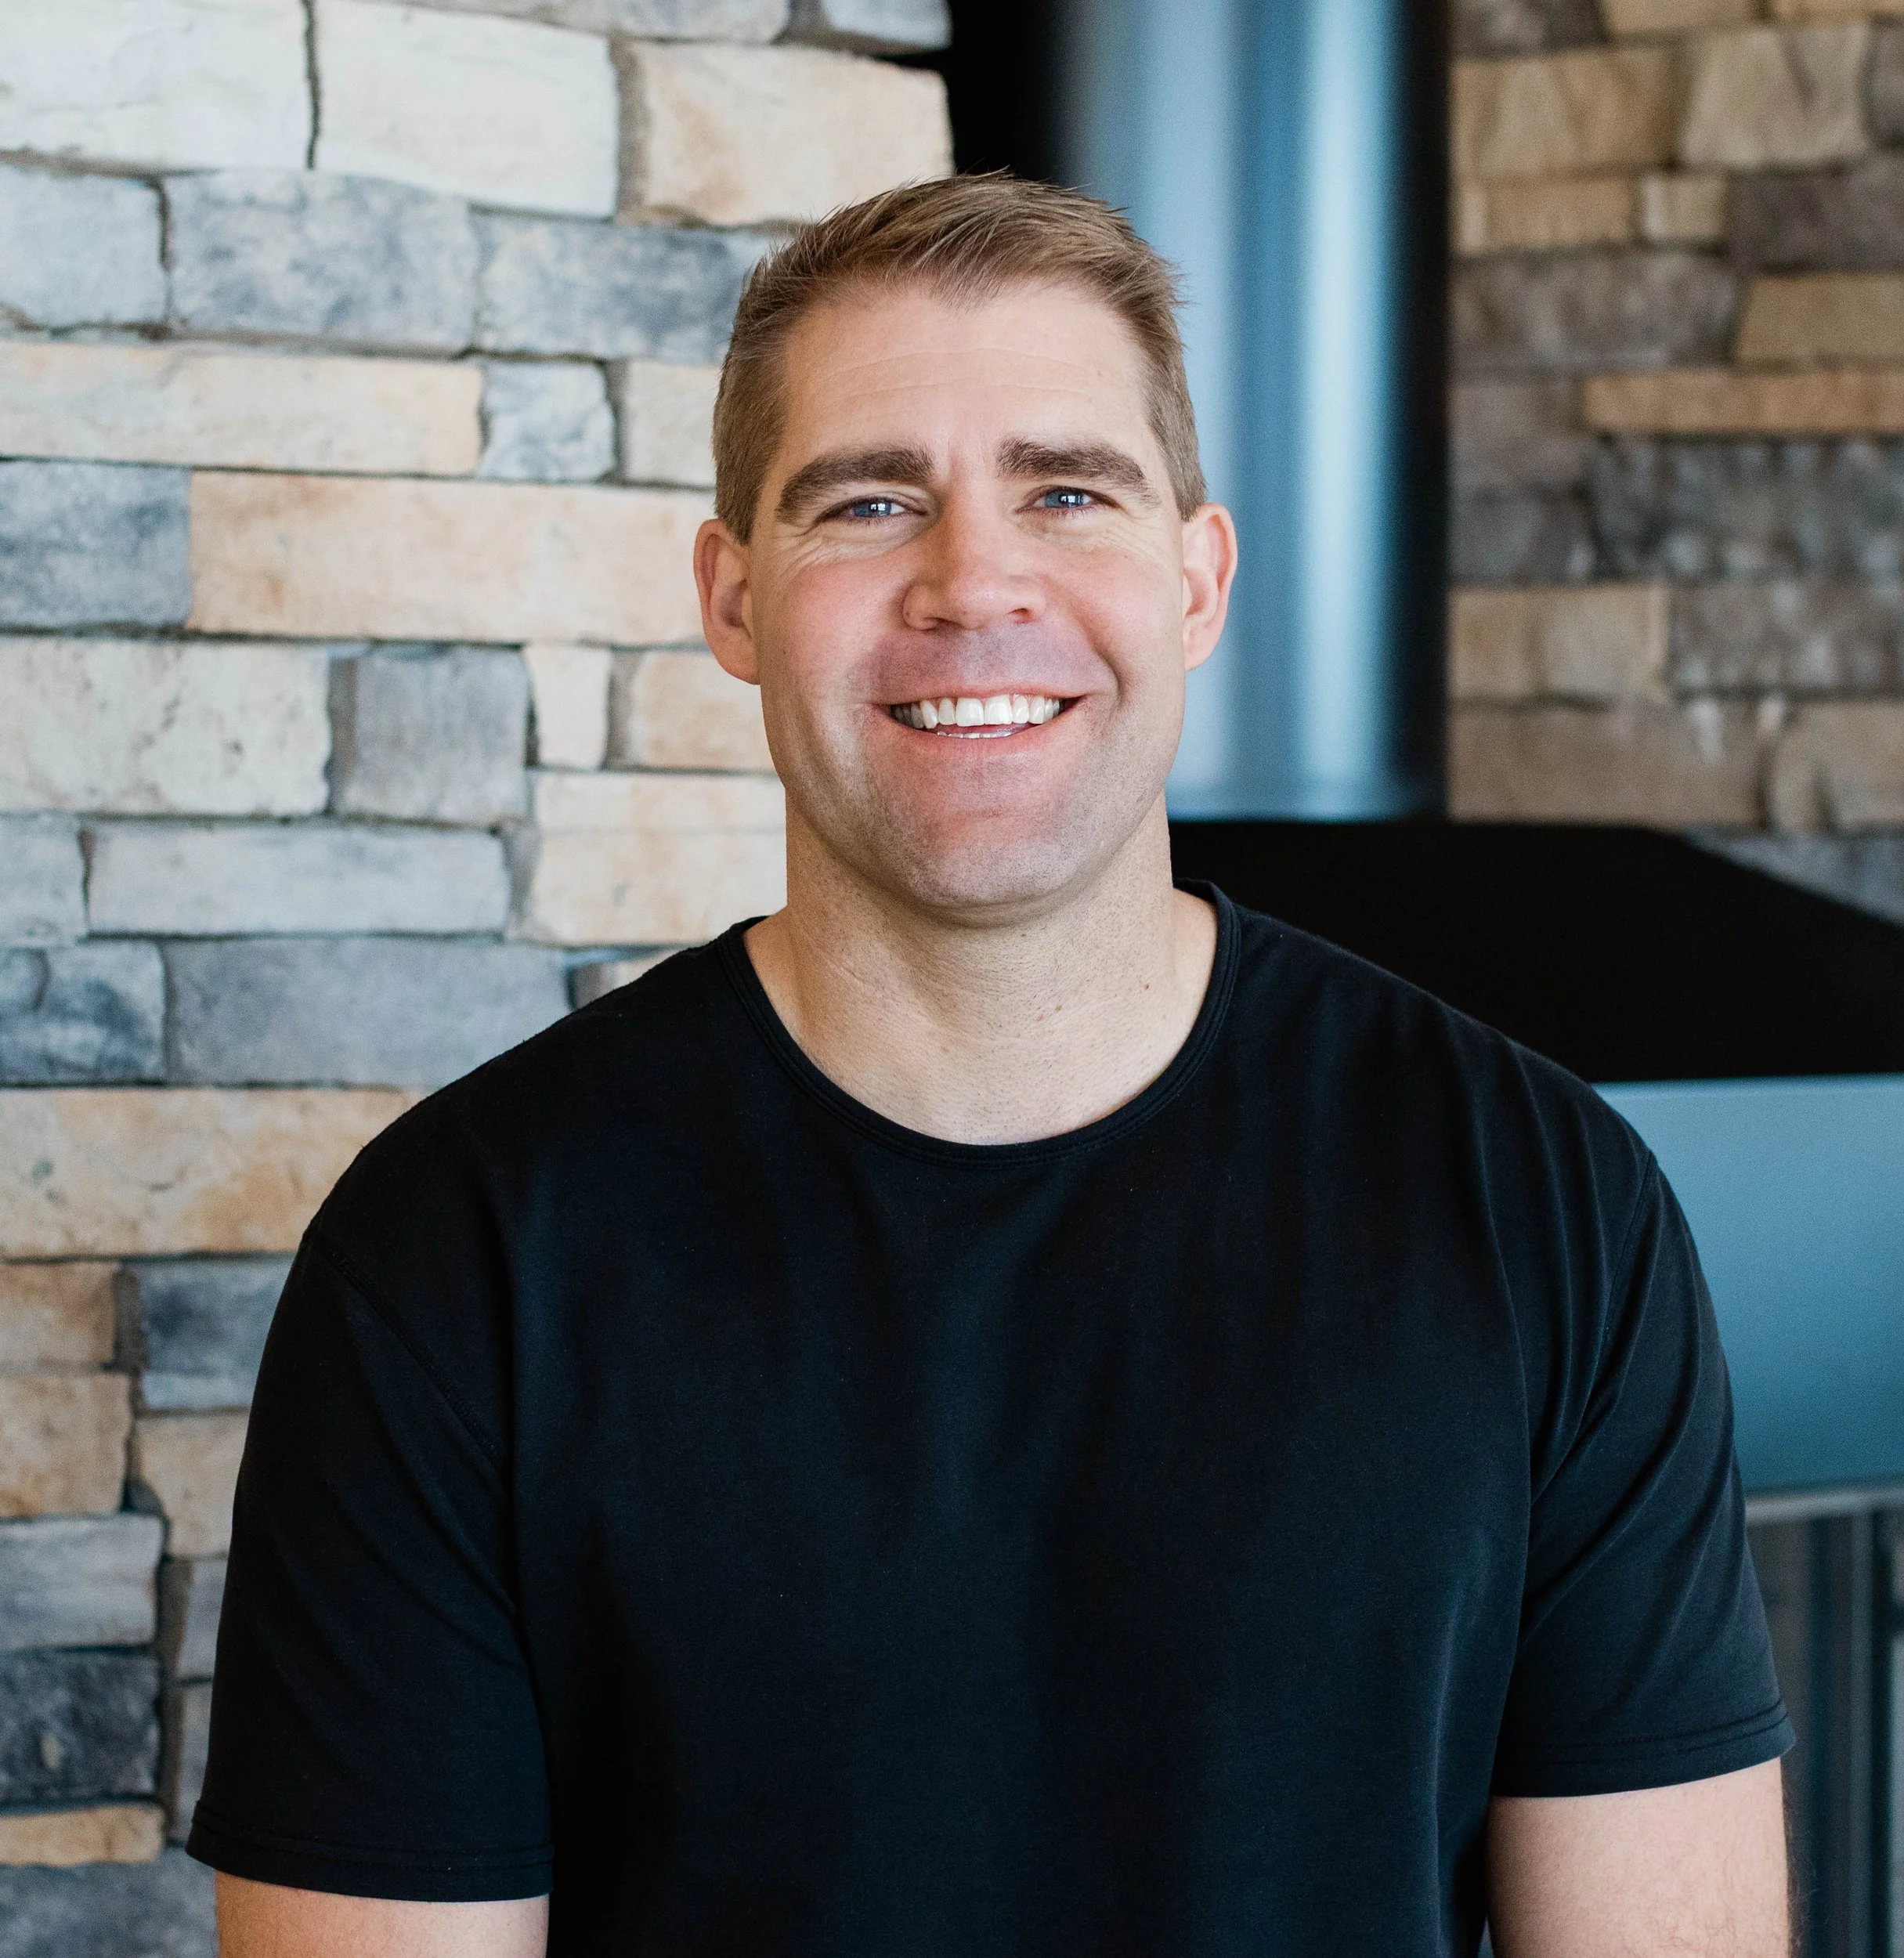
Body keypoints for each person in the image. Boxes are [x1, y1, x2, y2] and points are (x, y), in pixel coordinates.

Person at [191, 174, 1793, 1956]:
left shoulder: (1540, 1203)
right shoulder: (455, 1258)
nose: (974, 583)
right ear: (734, 599)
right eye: (870, 501)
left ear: (1195, 579)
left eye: (1067, 492)